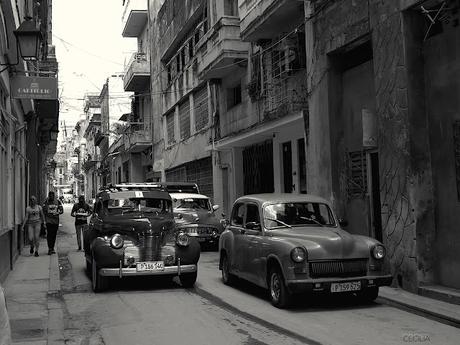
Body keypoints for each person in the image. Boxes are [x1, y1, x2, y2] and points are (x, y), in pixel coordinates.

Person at [42, 191, 64, 255]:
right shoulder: (46, 202)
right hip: (48, 221)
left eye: (52, 195)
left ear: (54, 196)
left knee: (54, 235)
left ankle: (52, 248)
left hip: (55, 221)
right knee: (49, 235)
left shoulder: (58, 202)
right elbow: (43, 211)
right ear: (49, 196)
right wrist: (44, 220)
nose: (51, 197)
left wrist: (58, 212)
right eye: (50, 195)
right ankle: (49, 248)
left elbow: (62, 210)